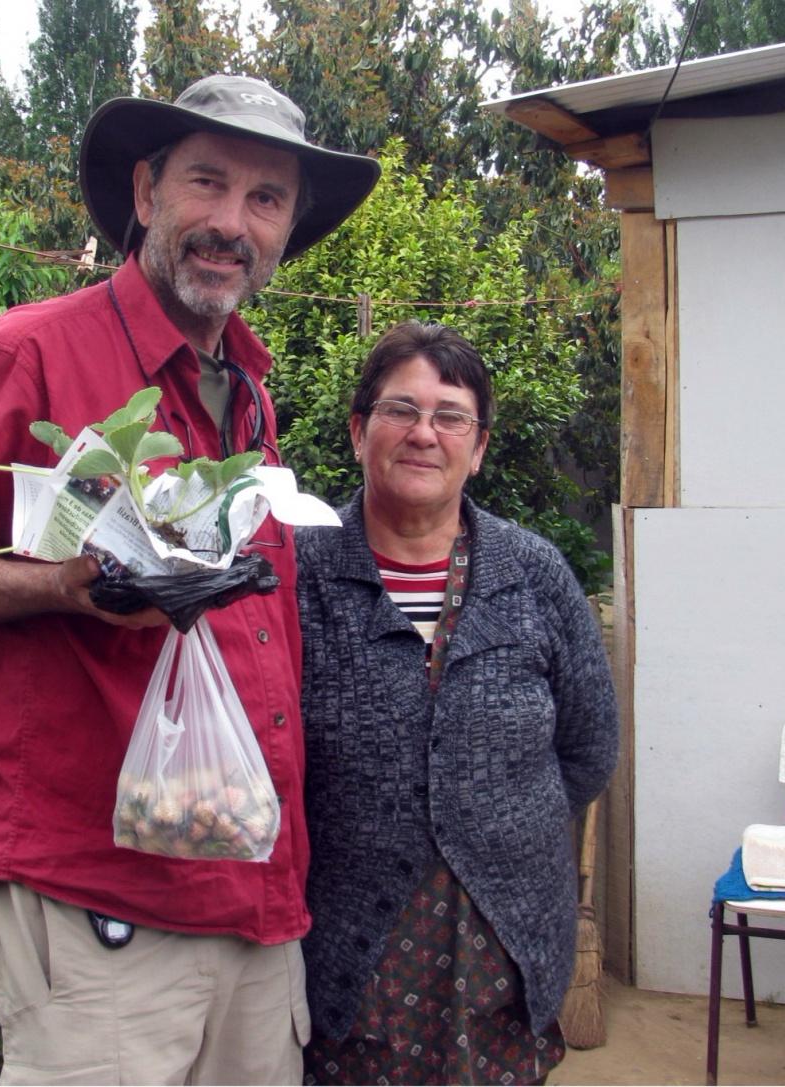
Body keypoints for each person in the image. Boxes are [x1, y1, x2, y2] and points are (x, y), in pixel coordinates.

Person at [0, 75, 380, 1086]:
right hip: (97, 895)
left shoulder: (247, 391)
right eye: (208, 182)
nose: (231, 223)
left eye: (266, 198)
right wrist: (68, 584)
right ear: (147, 193)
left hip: (248, 883)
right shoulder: (37, 353)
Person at [295, 321, 620, 1085]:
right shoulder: (301, 571)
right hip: (345, 936)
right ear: (357, 430)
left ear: (477, 448)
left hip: (501, 942)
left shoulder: (533, 574)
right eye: (400, 410)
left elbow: (589, 745)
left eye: (450, 416)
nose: (423, 433)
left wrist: (494, 815)